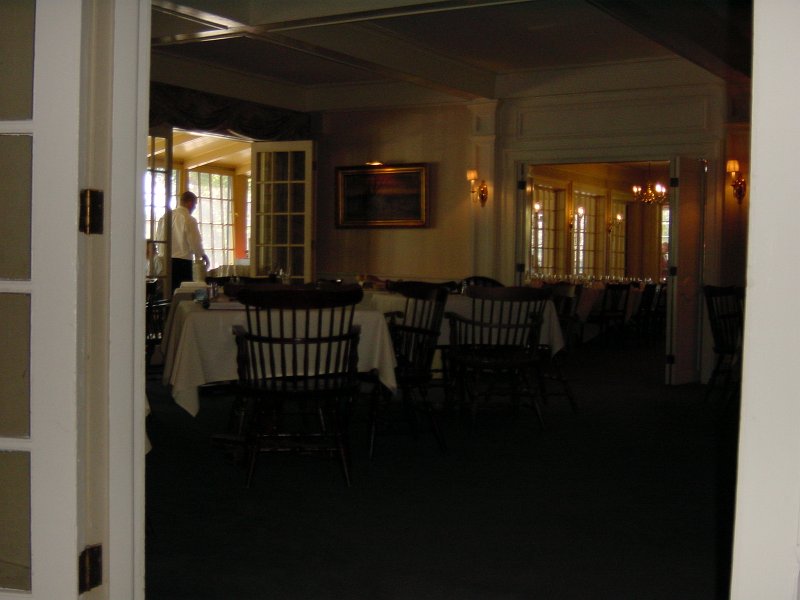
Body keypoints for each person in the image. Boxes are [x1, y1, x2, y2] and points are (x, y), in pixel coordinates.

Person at [157, 191, 209, 293]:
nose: (194, 207)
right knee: (182, 293)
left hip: (164, 260)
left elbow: (158, 238)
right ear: (190, 203)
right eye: (194, 204)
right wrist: (202, 255)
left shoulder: (165, 217)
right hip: (182, 262)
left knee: (166, 292)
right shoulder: (188, 219)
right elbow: (195, 241)